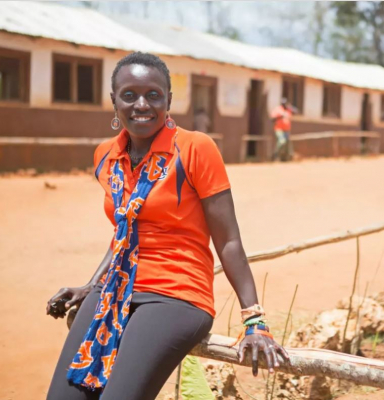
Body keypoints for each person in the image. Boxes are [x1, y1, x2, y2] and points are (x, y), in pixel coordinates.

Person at [46, 52, 289, 400]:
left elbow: (229, 240)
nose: (141, 104)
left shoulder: (195, 149)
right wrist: (91, 285)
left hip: (176, 293)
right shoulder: (105, 156)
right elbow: (125, 232)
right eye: (129, 95)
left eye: (153, 95)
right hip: (115, 287)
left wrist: (254, 319)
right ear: (113, 100)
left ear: (169, 101)